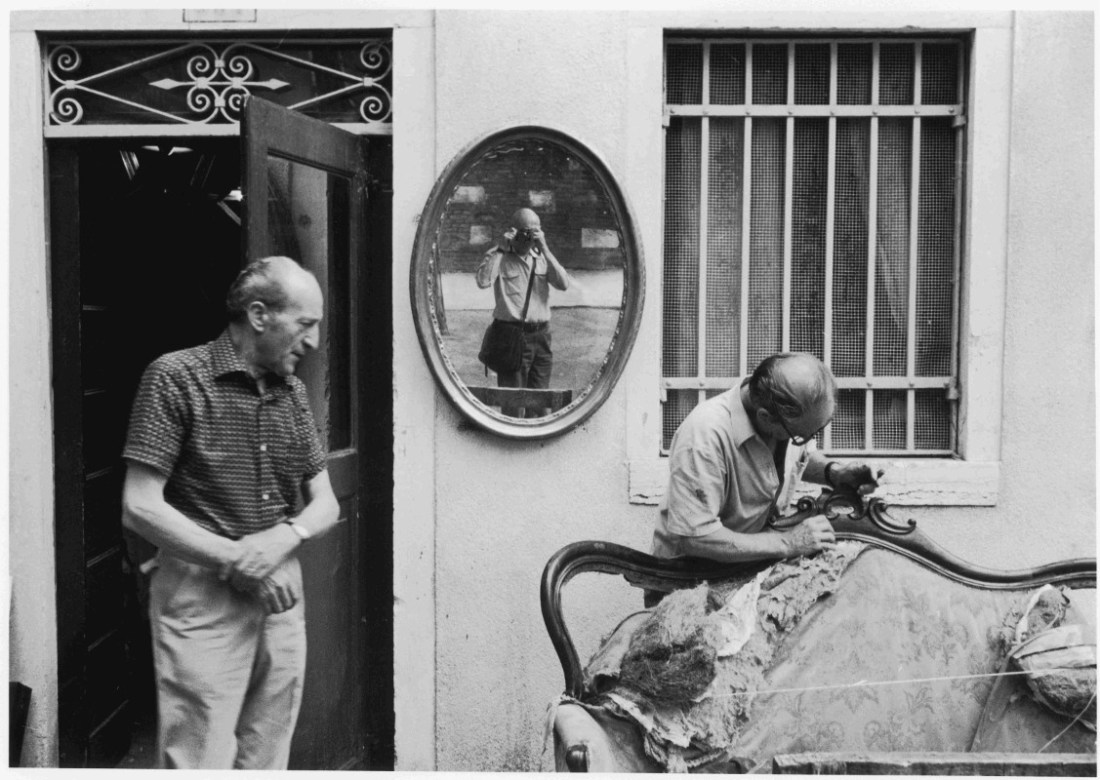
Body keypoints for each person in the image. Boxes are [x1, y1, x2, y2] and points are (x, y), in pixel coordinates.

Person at [121, 255, 340, 769]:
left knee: (268, 756)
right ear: (260, 315)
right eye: (305, 325)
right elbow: (139, 505)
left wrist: (284, 540)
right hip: (200, 594)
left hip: (281, 593)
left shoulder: (293, 394)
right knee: (201, 759)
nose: (313, 342)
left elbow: (325, 501)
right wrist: (242, 560)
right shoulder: (175, 378)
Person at [653, 352, 882, 564]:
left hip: (752, 560)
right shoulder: (703, 436)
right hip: (692, 575)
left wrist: (835, 473)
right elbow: (695, 538)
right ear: (766, 417)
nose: (807, 439)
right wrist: (787, 542)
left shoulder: (784, 421)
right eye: (803, 435)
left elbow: (791, 459)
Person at [476, 207, 571, 417]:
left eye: (535, 232)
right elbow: (483, 281)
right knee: (513, 403)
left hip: (542, 337)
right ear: (514, 231)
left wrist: (544, 247)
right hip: (512, 336)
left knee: (540, 402)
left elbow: (564, 284)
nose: (530, 237)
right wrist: (501, 249)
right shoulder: (498, 255)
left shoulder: (542, 257)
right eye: (526, 231)